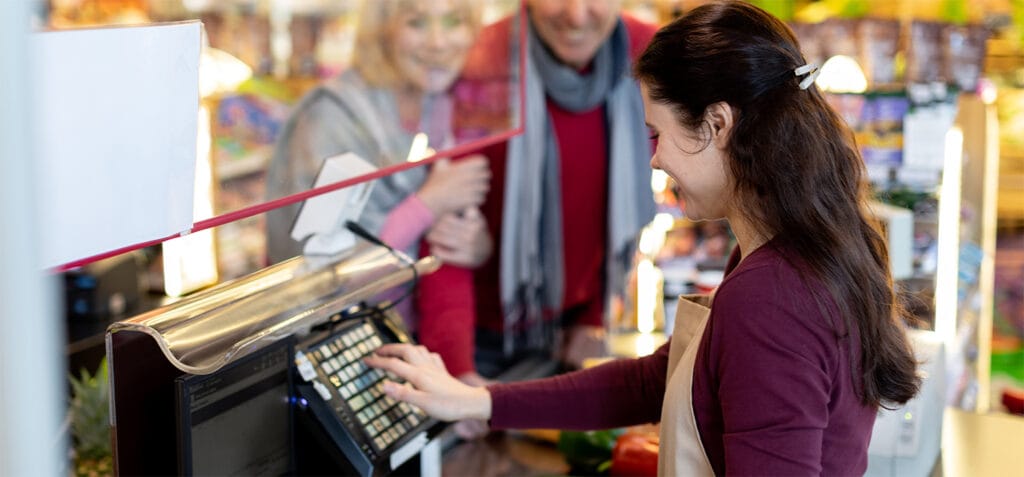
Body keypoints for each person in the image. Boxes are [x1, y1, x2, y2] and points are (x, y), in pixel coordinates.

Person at [366, 2, 922, 474]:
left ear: (719, 125)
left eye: (658, 134)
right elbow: (656, 379)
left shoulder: (770, 297)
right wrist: (479, 399)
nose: (653, 159)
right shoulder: (781, 251)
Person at [416, 0, 660, 387]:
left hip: (571, 334)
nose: (577, 15)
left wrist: (593, 317)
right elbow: (448, 236)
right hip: (479, 338)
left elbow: (622, 209)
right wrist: (458, 371)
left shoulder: (647, 53)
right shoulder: (480, 61)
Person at [264, 0, 492, 273]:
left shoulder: (440, 102)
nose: (438, 43)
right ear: (382, 31)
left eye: (453, 21)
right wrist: (427, 205)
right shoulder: (331, 116)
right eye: (416, 22)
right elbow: (318, 269)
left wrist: (476, 246)